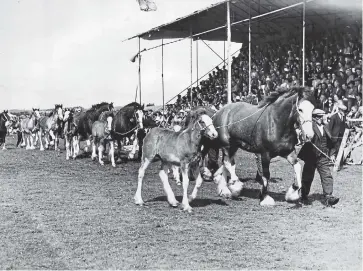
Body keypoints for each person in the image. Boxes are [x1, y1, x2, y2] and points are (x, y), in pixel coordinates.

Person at [298, 109, 340, 207]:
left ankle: (329, 197)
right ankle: (304, 196)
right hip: (311, 156)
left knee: (327, 176)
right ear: (316, 117)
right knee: (307, 177)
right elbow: (303, 136)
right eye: (322, 116)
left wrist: (332, 154)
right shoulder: (309, 126)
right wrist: (305, 137)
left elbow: (332, 142)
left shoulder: (326, 127)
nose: (324, 118)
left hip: (323, 156)